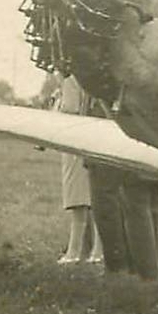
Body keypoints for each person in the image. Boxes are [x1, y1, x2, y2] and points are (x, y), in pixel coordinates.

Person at [54, 74, 102, 265]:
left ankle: (76, 251)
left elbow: (70, 107)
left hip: (74, 139)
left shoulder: (70, 76)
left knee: (79, 201)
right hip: (90, 137)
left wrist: (57, 104)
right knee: (91, 199)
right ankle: (92, 250)